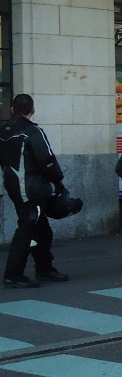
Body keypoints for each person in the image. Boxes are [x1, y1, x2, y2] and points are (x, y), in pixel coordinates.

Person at [1, 94, 69, 287]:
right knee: (28, 228)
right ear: (32, 110)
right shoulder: (32, 131)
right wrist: (59, 182)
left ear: (12, 110)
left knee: (41, 229)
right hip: (31, 188)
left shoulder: (3, 131)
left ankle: (44, 268)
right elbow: (47, 160)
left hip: (14, 185)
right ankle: (13, 275)